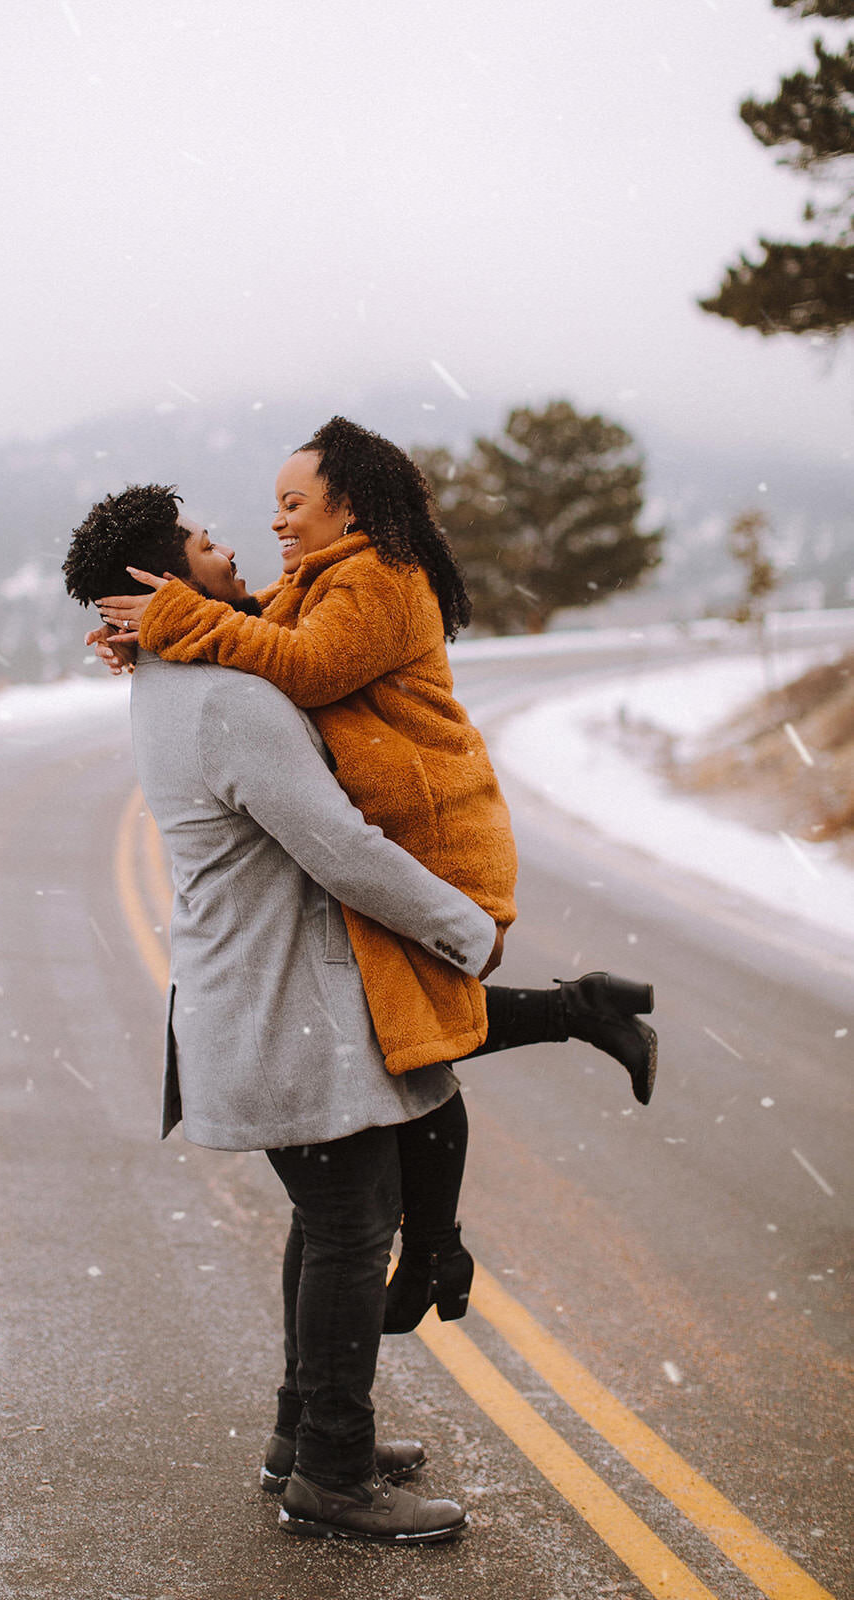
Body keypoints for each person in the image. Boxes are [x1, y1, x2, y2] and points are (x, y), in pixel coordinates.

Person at [93, 420, 657, 1334]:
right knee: (409, 1041)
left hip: (431, 837)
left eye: (292, 504)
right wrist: (160, 639)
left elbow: (306, 667)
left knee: (411, 1040)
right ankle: (561, 1042)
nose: (269, 525)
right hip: (402, 828)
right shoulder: (324, 577)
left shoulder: (382, 578)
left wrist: (182, 623)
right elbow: (259, 629)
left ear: (348, 504)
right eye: (269, 506)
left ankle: (428, 1258)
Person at [64, 484, 502, 1543]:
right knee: (353, 1229)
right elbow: (342, 849)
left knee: (330, 1221)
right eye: (207, 544)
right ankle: (333, 1476)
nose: (232, 554)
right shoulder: (228, 701)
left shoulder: (185, 676)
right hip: (275, 1012)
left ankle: (302, 1437)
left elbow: (284, 633)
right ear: (162, 581)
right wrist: (463, 930)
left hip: (250, 1005)